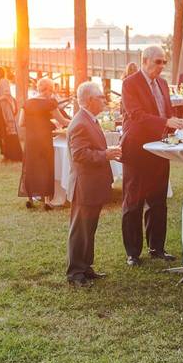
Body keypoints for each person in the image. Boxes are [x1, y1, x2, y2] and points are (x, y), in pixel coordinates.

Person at [120, 46, 183, 266]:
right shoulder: (130, 83)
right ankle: (133, 252)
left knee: (158, 200)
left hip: (160, 147)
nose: (162, 66)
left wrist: (174, 122)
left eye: (164, 62)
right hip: (137, 148)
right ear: (145, 61)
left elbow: (167, 110)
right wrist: (165, 122)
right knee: (133, 201)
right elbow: (135, 114)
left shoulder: (163, 84)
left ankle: (157, 247)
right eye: (158, 61)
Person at [66, 81, 122, 286]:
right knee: (80, 229)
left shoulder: (89, 119)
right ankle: (75, 272)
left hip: (93, 183)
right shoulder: (81, 122)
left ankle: (86, 266)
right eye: (100, 97)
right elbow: (79, 154)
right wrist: (105, 154)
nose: (104, 100)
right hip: (84, 184)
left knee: (89, 227)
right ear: (89, 100)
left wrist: (106, 153)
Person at [19, 77, 69, 210]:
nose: (51, 93)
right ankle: (47, 200)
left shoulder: (27, 103)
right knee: (46, 166)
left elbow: (21, 123)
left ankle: (30, 198)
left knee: (31, 165)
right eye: (51, 90)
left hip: (30, 139)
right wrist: (77, 121)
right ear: (48, 90)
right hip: (44, 139)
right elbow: (63, 121)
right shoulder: (49, 103)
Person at [0, 66, 22, 162]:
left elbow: (6, 94)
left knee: (7, 132)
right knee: (1, 132)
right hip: (0, 109)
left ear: (0, 73)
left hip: (5, 109)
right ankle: (6, 154)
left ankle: (11, 155)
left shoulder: (3, 81)